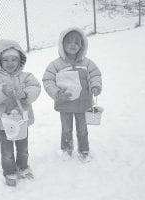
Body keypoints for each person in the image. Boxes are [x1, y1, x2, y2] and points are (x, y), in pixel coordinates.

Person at [0, 39, 41, 186]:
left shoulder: (26, 76)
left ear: (20, 60)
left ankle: (23, 166)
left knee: (23, 147)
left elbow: (36, 87)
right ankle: (9, 171)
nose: (10, 63)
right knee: (7, 150)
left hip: (21, 120)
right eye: (6, 59)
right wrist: (1, 90)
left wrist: (25, 94)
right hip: (4, 122)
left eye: (14, 59)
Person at [42, 27, 102, 162]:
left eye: (76, 42)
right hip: (65, 104)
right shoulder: (56, 65)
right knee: (66, 129)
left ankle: (84, 151)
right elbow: (48, 80)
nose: (73, 45)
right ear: (62, 45)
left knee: (82, 129)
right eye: (69, 42)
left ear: (82, 45)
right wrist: (56, 92)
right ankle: (66, 149)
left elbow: (95, 75)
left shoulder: (87, 63)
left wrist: (95, 86)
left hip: (83, 103)